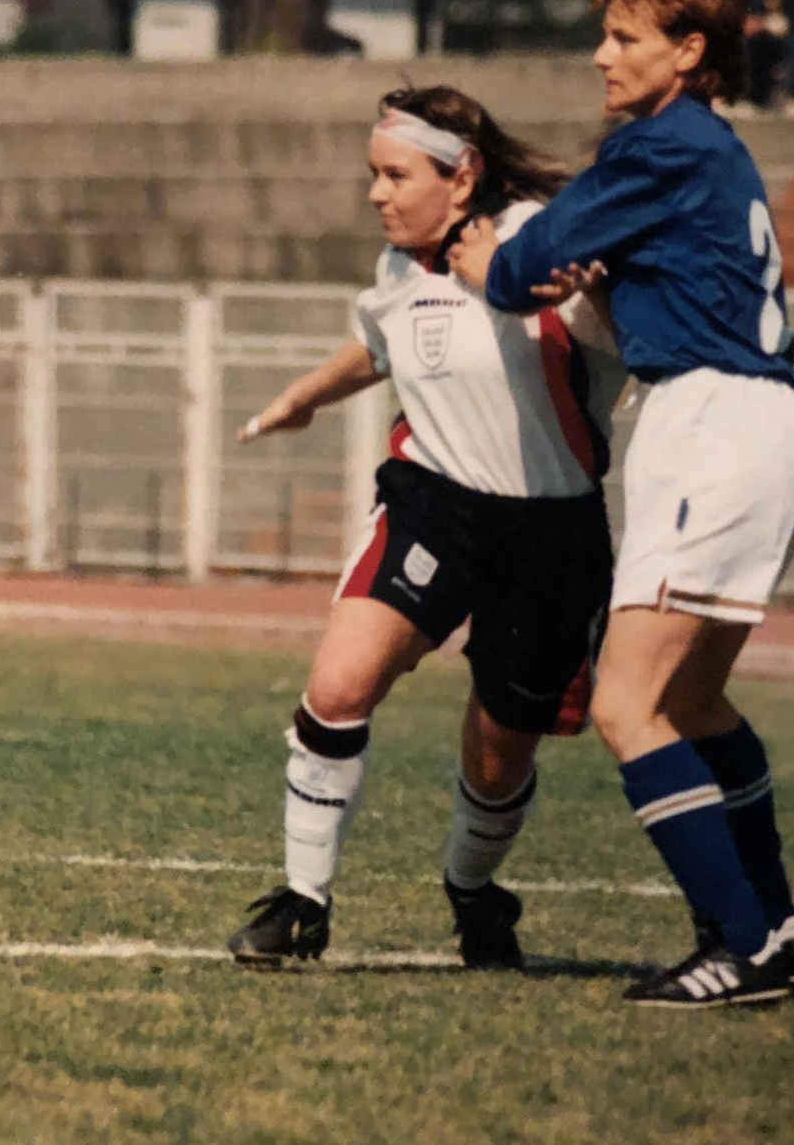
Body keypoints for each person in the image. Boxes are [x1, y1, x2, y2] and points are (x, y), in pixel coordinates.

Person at [448, 0, 794, 1009]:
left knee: (626, 701)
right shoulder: (706, 151)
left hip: (710, 422)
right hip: (761, 424)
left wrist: (494, 264)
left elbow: (520, 267)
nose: (600, 56)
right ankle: (776, 929)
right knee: (695, 698)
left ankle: (737, 942)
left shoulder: (656, 149)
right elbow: (610, 291)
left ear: (688, 48)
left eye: (623, 37)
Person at [226, 86, 625, 970]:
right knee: (337, 687)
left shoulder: (539, 245)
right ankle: (301, 902)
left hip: (551, 532)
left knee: (497, 757)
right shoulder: (401, 265)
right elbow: (377, 346)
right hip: (434, 503)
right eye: (373, 173)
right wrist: (302, 398)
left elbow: (618, 328)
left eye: (395, 174)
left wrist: (594, 290)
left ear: (463, 175)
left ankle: (474, 892)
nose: (376, 192)